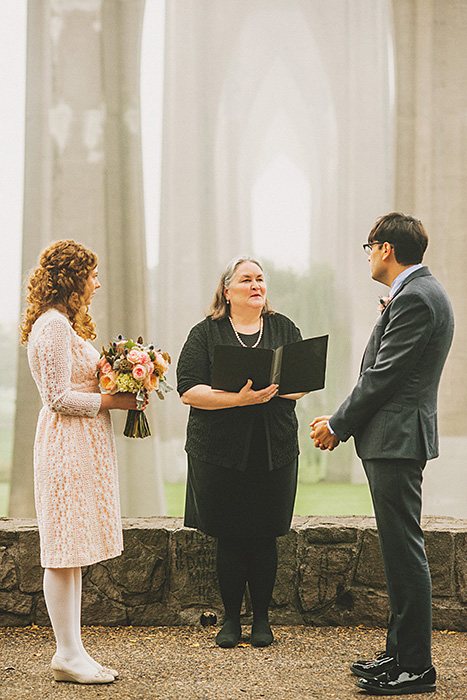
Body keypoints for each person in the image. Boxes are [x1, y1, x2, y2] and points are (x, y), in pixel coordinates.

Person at [310, 213, 454, 696]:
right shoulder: (418, 294)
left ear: (387, 248)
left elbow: (384, 375)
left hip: (396, 438)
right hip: (394, 438)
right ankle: (398, 653)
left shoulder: (415, 298)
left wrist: (337, 423)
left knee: (403, 550)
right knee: (397, 551)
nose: (368, 255)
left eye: (369, 246)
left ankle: (415, 666)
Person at [21, 240, 147, 685]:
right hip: (64, 446)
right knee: (61, 550)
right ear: (72, 279)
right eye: (91, 274)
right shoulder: (52, 326)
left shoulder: (65, 326)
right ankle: (66, 653)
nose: (97, 282)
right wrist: (115, 398)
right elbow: (56, 397)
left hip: (82, 444)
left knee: (72, 550)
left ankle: (73, 650)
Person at [177, 256, 307, 648]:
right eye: (246, 279)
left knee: (265, 535)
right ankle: (231, 620)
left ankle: (263, 620)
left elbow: (302, 384)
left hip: (274, 448)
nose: (256, 285)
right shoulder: (206, 333)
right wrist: (239, 400)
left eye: (260, 279)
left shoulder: (284, 328)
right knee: (230, 536)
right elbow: (188, 390)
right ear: (227, 290)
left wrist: (271, 391)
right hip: (218, 451)